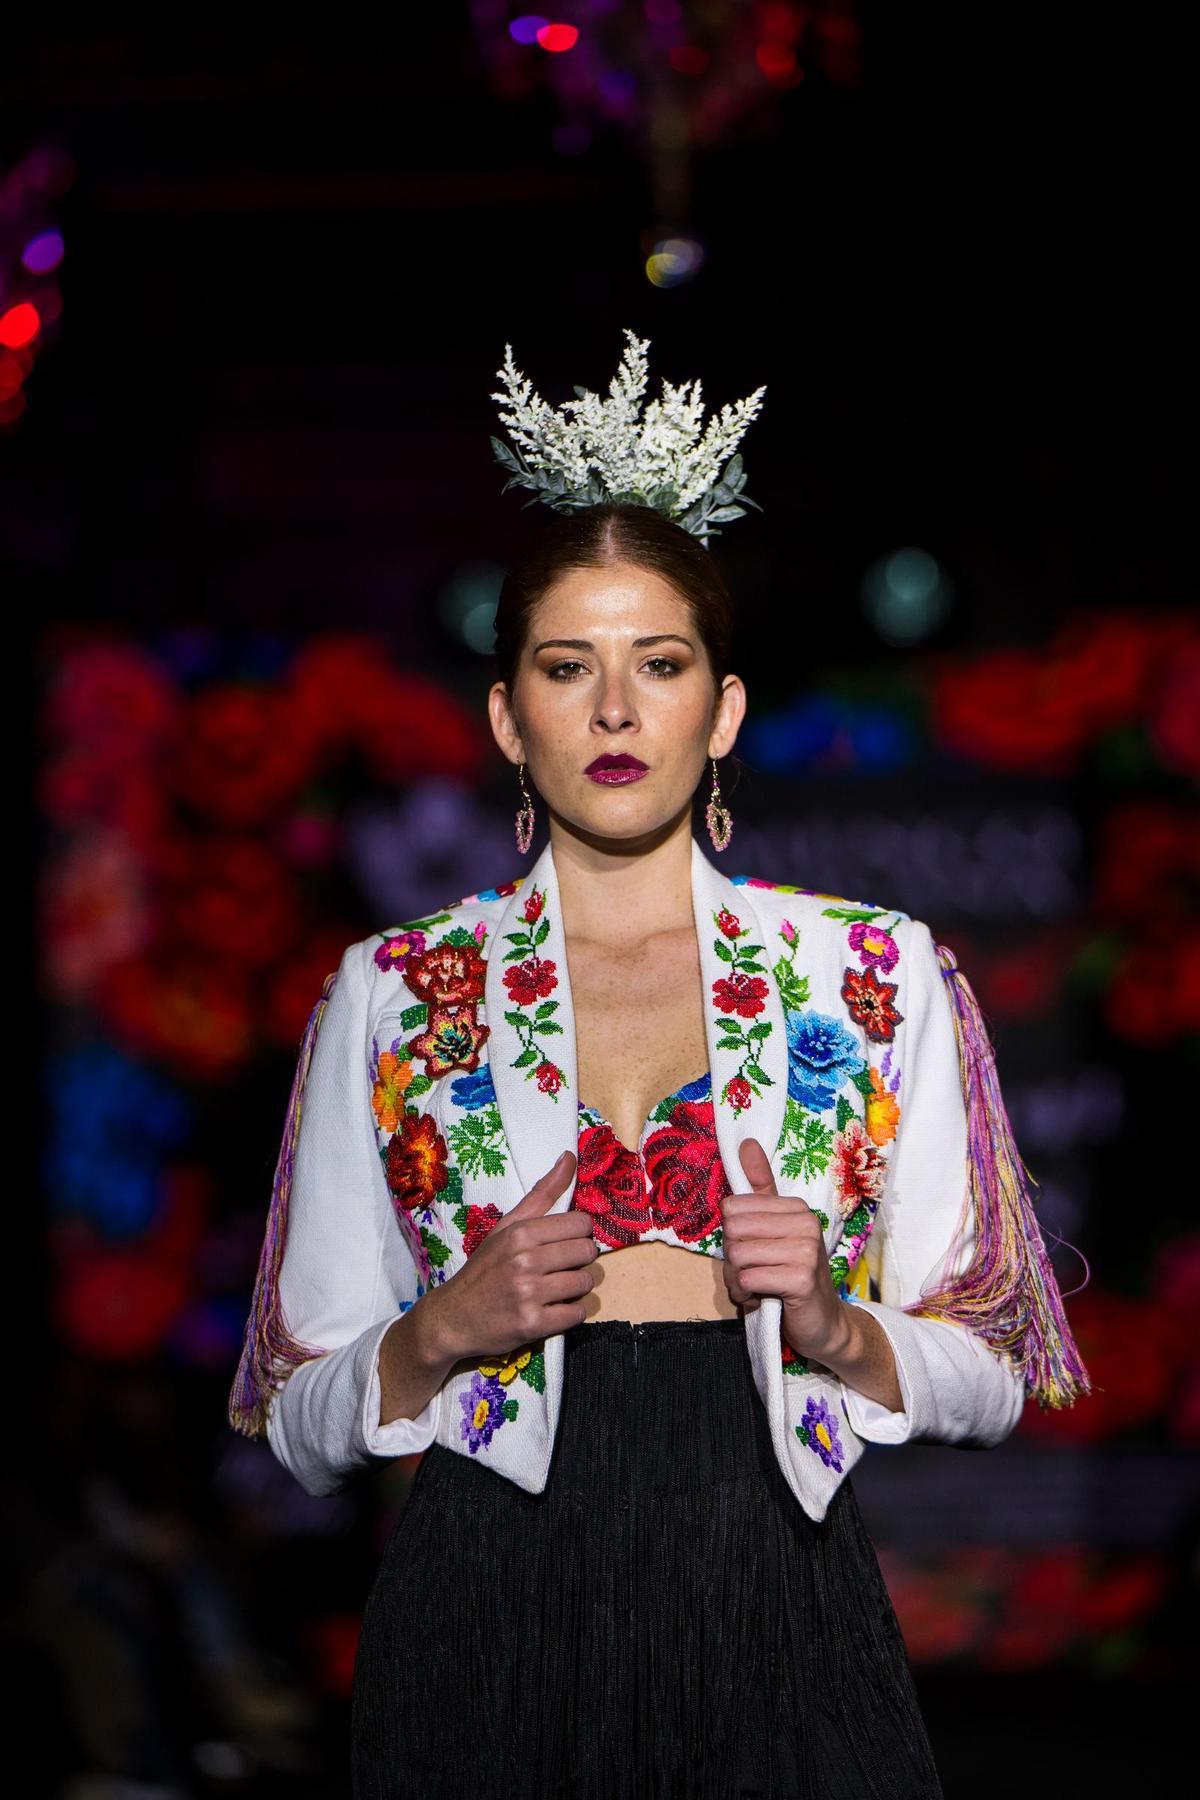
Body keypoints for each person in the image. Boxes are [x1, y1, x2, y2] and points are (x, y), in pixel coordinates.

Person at [229, 332, 1091, 1799]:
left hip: (782, 1580)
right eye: (568, 667)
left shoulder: (874, 975)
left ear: (725, 708)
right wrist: (446, 1326)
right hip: (487, 1598)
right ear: (509, 717)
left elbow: (998, 1367)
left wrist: (827, 1313)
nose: (616, 711)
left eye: (661, 664)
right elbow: (300, 1419)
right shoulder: (393, 994)